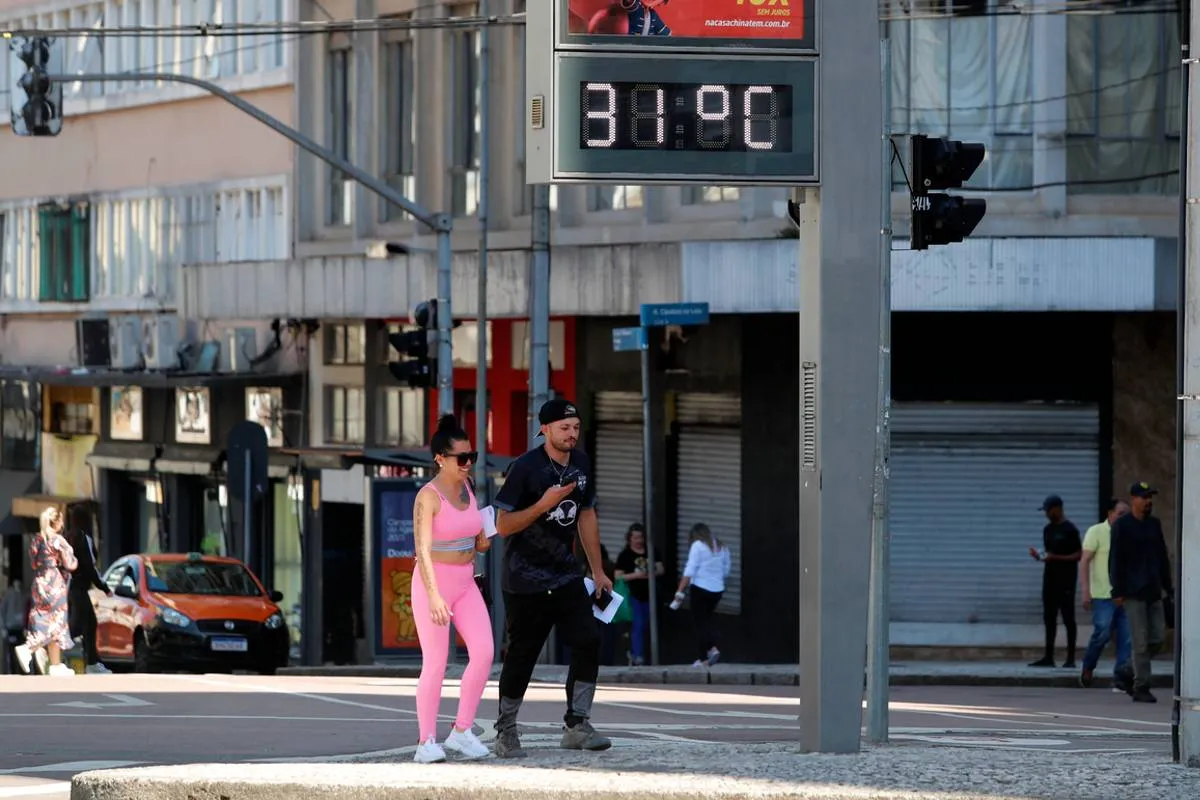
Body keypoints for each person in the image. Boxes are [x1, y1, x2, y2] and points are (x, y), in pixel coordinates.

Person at [491, 398, 613, 759]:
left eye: (575, 428)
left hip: (565, 574)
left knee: (588, 640)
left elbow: (586, 514)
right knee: (523, 655)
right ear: (545, 430)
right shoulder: (525, 468)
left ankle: (577, 725)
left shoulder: (582, 463)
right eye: (564, 428)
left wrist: (597, 569)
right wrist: (544, 504)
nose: (571, 434)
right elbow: (503, 525)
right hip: (524, 578)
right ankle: (506, 730)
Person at [410, 414, 493, 763]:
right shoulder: (427, 497)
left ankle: (461, 731)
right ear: (440, 459)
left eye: (471, 456)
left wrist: (483, 537)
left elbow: (479, 540)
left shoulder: (469, 487)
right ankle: (425, 742)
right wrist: (433, 596)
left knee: (485, 652)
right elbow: (422, 550)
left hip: (465, 580)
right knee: (436, 662)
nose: (468, 463)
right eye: (461, 458)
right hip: (435, 582)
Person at [1109, 481, 1173, 703]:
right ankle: (1141, 686)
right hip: (1132, 592)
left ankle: (1127, 670)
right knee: (1141, 641)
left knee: (1157, 638)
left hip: (1153, 590)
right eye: (1144, 497)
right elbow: (1115, 559)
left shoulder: (1154, 525)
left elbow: (1162, 557)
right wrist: (1117, 590)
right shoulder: (1122, 525)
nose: (1149, 501)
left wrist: (1168, 587)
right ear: (1134, 499)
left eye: (1150, 497)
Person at [15, 507, 78, 677]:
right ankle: (28, 648)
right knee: (57, 620)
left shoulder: (37, 539)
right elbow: (70, 563)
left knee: (44, 618)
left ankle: (56, 664)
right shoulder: (58, 540)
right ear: (56, 522)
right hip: (54, 582)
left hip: (39, 582)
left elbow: (34, 563)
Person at [1078, 498, 1132, 691]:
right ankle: (1088, 666)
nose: (1124, 518)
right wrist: (1085, 590)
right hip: (1103, 595)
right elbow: (1084, 561)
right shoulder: (1097, 532)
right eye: (1120, 514)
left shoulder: (1130, 533)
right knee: (1102, 634)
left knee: (1127, 638)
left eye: (1127, 514)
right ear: (1110, 514)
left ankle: (1121, 678)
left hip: (1126, 595)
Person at [1027, 495, 1082, 668]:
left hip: (1066, 581)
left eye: (1049, 510)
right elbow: (1049, 553)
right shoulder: (1047, 530)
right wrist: (1040, 556)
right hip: (1049, 579)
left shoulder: (1070, 529)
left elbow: (1078, 555)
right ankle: (1048, 657)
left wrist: (1056, 557)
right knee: (1049, 618)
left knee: (1068, 618)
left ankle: (1070, 658)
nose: (1046, 514)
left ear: (1058, 508)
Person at [669, 522, 731, 667]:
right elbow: (726, 570)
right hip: (717, 590)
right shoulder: (722, 546)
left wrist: (679, 590)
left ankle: (708, 652)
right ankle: (704, 656)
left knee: (700, 624)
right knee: (705, 621)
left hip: (700, 588)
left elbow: (689, 571)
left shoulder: (698, 545)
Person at [65, 505, 113, 675]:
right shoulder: (82, 537)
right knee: (84, 625)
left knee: (82, 626)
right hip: (79, 588)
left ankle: (92, 662)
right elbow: (89, 567)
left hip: (71, 588)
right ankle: (91, 663)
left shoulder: (69, 536)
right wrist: (104, 587)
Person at [615, 522, 664, 666]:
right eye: (635, 538)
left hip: (650, 595)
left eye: (640, 537)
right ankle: (637, 655)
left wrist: (651, 573)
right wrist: (636, 576)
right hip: (633, 595)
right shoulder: (625, 555)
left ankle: (642, 653)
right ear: (629, 539)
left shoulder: (651, 551)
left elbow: (661, 569)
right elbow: (618, 576)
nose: (638, 541)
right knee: (638, 624)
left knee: (649, 625)